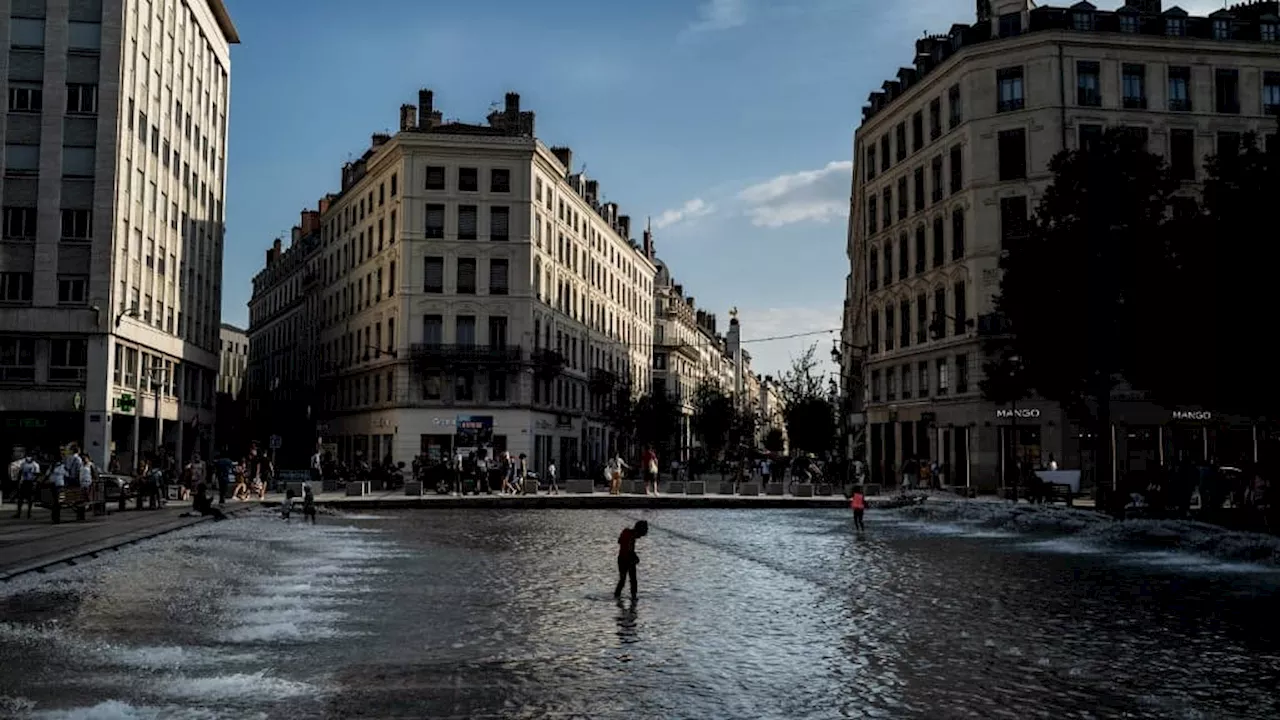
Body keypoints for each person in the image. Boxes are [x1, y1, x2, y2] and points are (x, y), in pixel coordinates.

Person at [614, 520, 649, 600]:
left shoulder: (626, 532)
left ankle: (617, 596)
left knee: (622, 580)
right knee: (633, 580)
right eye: (643, 532)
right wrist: (635, 558)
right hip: (628, 560)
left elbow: (619, 542)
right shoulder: (631, 536)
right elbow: (629, 550)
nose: (641, 536)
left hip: (621, 559)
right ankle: (633, 598)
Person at [14, 455, 40, 519]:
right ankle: (19, 513)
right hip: (24, 482)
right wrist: (18, 481)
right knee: (20, 498)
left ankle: (29, 513)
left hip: (31, 482)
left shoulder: (35, 465)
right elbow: (20, 472)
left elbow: (37, 474)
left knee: (30, 499)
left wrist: (34, 482)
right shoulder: (23, 464)